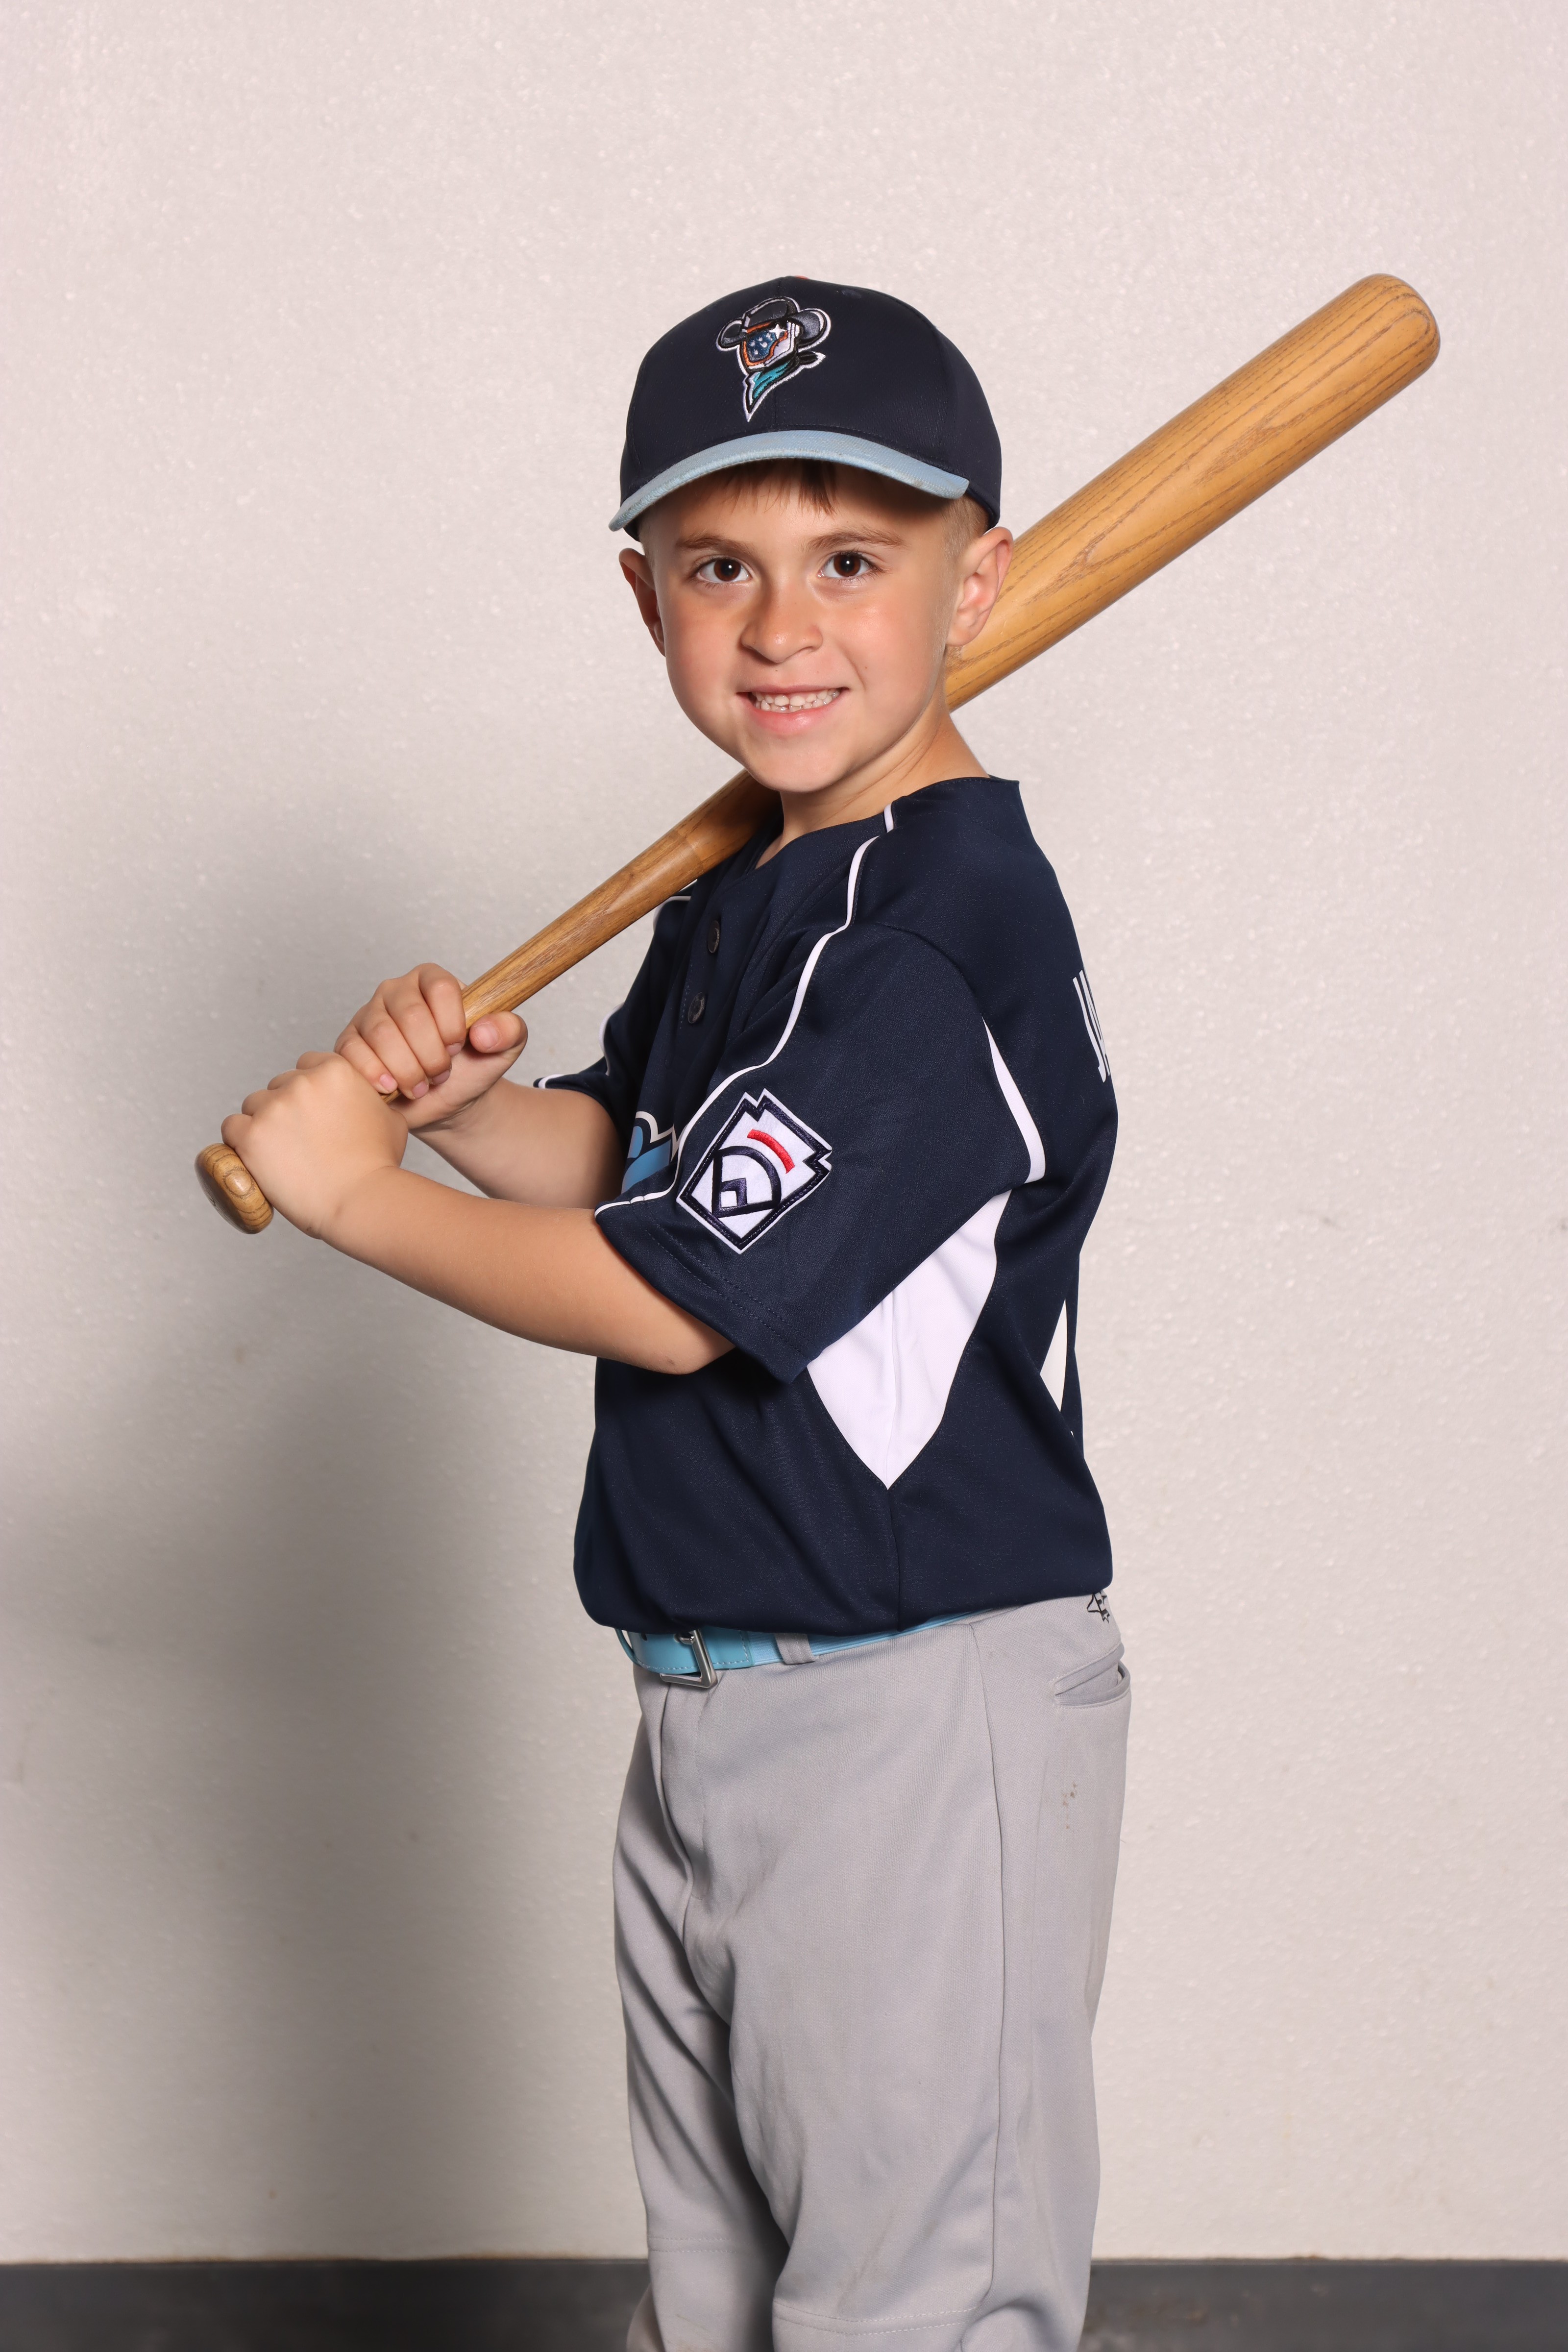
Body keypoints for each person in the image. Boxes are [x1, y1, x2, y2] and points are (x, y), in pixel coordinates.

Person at [224, 276, 1130, 2352]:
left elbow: (669, 1299)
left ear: (980, 582)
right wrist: (466, 1116)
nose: (782, 625)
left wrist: (355, 1198)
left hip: (914, 1704)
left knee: (908, 2311)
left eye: (853, 561)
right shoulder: (755, 890)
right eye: (721, 567)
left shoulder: (934, 939)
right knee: (718, 2302)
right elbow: (632, 1170)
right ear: (645, 598)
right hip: (714, 1701)